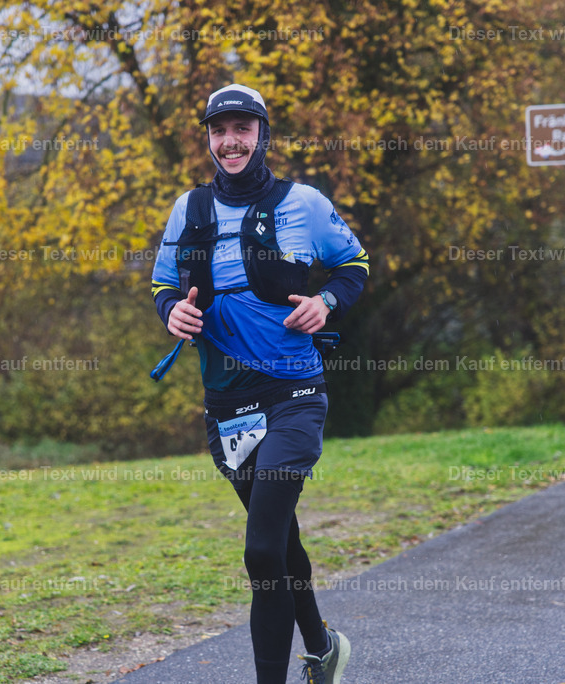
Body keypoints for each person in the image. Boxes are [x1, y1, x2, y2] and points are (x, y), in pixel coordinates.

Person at [150, 83, 369, 684]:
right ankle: (323, 649)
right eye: (219, 131)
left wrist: (325, 301)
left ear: (262, 134)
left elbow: (354, 266)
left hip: (294, 393)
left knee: (259, 550)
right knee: (278, 540)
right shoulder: (188, 211)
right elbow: (161, 285)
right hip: (227, 404)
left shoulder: (304, 203)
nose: (230, 141)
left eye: (242, 128)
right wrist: (173, 311)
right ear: (209, 140)